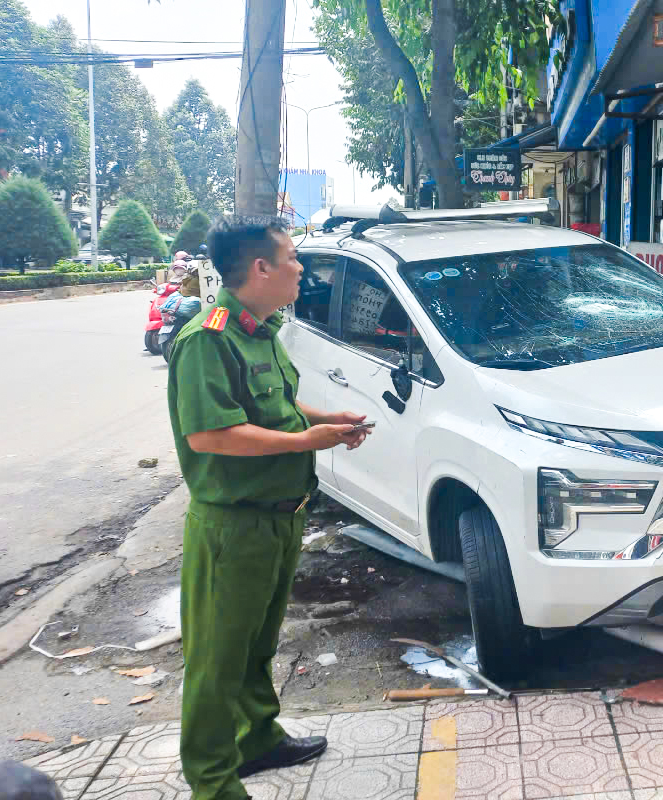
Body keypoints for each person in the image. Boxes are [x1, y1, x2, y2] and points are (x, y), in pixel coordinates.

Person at [167, 215, 371, 800]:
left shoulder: (260, 330)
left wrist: (324, 420)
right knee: (217, 657)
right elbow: (212, 436)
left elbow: (275, 406)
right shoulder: (207, 338)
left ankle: (257, 738)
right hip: (234, 524)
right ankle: (212, 780)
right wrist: (307, 443)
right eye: (291, 259)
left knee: (258, 643)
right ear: (260, 268)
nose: (301, 269)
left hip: (280, 516)